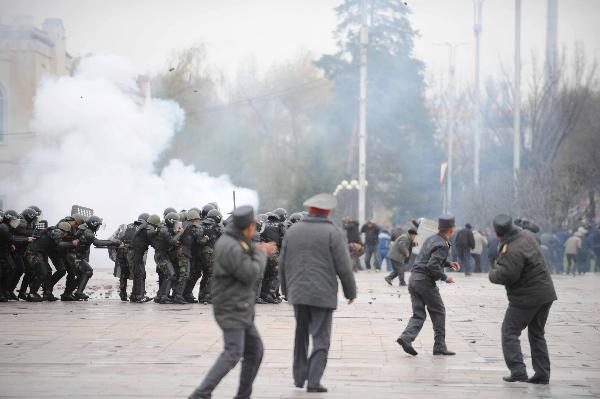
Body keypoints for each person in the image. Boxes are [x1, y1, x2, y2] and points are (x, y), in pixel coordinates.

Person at [188, 205, 275, 399]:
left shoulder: (236, 240)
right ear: (249, 226)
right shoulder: (229, 245)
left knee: (254, 351)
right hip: (231, 306)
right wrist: (261, 254)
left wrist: (258, 248)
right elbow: (250, 273)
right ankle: (200, 394)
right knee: (233, 352)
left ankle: (243, 395)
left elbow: (246, 249)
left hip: (240, 306)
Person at [279, 193, 357, 393]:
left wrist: (286, 291)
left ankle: (298, 378)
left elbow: (283, 265)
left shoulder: (293, 231)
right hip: (322, 295)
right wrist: (350, 292)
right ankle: (313, 380)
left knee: (301, 335)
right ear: (328, 211)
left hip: (298, 293)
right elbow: (344, 267)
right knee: (321, 338)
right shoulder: (334, 232)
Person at [489, 215, 557, 384]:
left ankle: (518, 371)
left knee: (509, 332)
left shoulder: (511, 249)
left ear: (498, 233)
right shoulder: (528, 235)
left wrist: (492, 273)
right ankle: (542, 374)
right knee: (537, 334)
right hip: (545, 292)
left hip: (527, 297)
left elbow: (508, 275)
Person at [397, 215, 460, 357]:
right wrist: (445, 277)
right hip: (425, 281)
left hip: (414, 279)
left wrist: (449, 263)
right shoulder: (443, 244)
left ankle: (406, 338)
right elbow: (432, 265)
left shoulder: (431, 239)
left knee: (419, 314)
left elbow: (430, 258)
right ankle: (439, 346)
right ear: (450, 230)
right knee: (439, 311)